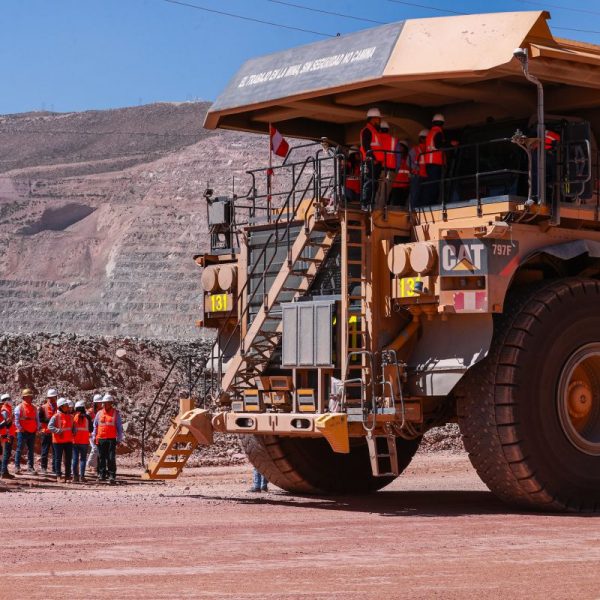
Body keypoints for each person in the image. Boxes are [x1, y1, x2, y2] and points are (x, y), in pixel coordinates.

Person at [92, 394, 124, 485]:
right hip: (101, 439)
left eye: (107, 403)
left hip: (111, 439)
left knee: (111, 457)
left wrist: (119, 439)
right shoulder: (99, 413)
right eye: (104, 403)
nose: (105, 404)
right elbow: (95, 426)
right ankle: (102, 474)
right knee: (101, 457)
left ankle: (112, 475)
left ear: (110, 403)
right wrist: (94, 437)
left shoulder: (115, 413)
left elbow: (119, 428)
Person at [360, 107, 385, 211]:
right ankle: (365, 204)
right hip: (371, 162)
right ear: (373, 119)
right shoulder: (367, 130)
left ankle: (370, 204)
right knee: (369, 182)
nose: (379, 121)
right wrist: (373, 159)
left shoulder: (374, 131)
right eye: (378, 118)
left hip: (376, 162)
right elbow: (366, 146)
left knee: (374, 183)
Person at [48, 397, 74, 483]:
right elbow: (50, 426)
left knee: (68, 459)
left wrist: (74, 430)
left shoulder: (71, 416)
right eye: (66, 405)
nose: (68, 407)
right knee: (58, 459)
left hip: (68, 441)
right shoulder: (55, 416)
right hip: (58, 441)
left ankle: (68, 476)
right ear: (61, 407)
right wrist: (58, 431)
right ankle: (58, 476)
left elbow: (73, 426)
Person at [423, 114, 447, 205]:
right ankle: (432, 203)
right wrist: (450, 144)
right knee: (434, 185)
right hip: (436, 163)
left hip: (429, 162)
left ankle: (428, 203)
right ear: (442, 124)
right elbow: (439, 145)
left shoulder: (430, 133)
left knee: (430, 184)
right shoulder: (438, 133)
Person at [14, 389, 40, 475]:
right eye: (28, 396)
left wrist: (37, 428)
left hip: (32, 431)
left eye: (31, 396)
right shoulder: (19, 407)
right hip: (23, 432)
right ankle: (17, 467)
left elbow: (37, 419)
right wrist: (20, 428)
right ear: (24, 397)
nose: (30, 398)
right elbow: (16, 420)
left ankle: (30, 467)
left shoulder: (34, 408)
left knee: (31, 450)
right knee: (19, 449)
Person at [71, 400, 92, 483]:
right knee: (83, 459)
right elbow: (91, 429)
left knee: (75, 459)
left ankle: (75, 477)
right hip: (84, 441)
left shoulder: (74, 417)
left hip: (75, 441)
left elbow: (71, 429)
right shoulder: (88, 417)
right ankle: (82, 477)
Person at [39, 388, 58, 475]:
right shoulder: (43, 407)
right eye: (50, 397)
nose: (52, 399)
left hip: (55, 433)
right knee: (45, 451)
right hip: (46, 432)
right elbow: (40, 419)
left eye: (53, 397)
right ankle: (44, 468)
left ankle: (54, 469)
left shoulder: (59, 407)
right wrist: (50, 420)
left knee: (55, 452)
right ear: (48, 398)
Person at [409, 129, 429, 209]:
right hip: (417, 176)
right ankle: (413, 210)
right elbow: (408, 162)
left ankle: (417, 209)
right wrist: (416, 169)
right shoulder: (415, 149)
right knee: (415, 195)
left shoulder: (428, 150)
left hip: (425, 176)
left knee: (422, 195)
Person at [0, 394, 16, 479]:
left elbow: (7, 424)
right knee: (5, 454)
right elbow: (5, 425)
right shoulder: (4, 410)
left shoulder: (7, 409)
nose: (11, 400)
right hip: (5, 435)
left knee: (6, 453)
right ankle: (3, 472)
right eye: (9, 399)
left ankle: (4, 471)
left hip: (7, 434)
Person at [86, 393, 103, 474]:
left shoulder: (102, 411)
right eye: (99, 402)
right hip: (91, 434)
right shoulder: (90, 412)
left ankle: (94, 467)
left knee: (98, 451)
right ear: (95, 403)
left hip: (100, 434)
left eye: (101, 402)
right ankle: (89, 464)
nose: (100, 404)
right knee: (95, 449)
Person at [390, 140, 410, 206]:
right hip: (395, 186)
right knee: (395, 204)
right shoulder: (394, 158)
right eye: (399, 147)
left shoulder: (408, 159)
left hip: (405, 186)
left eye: (402, 147)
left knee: (402, 204)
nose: (400, 149)